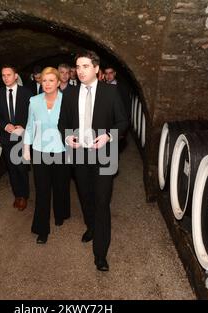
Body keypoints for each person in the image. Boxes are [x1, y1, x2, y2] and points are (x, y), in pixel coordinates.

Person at [58, 51, 128, 271]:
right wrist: (68, 136)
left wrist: (108, 136)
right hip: (80, 154)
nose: (80, 71)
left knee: (102, 201)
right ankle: (91, 226)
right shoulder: (69, 94)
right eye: (77, 67)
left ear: (96, 69)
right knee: (85, 196)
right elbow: (62, 124)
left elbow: (123, 122)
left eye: (85, 66)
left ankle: (100, 253)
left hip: (104, 154)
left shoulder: (111, 92)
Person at [23, 67, 71, 244]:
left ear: (59, 82)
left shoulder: (67, 100)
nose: (47, 84)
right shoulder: (34, 101)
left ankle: (60, 213)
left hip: (62, 151)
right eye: (44, 80)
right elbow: (29, 126)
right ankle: (41, 229)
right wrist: (26, 149)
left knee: (60, 186)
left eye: (51, 80)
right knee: (42, 191)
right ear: (40, 82)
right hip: (40, 151)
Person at [0, 65, 32, 211]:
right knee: (12, 168)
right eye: (3, 75)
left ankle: (24, 195)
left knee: (21, 167)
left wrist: (24, 127)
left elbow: (32, 114)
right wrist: (5, 125)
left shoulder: (26, 93)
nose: (5, 78)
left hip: (22, 136)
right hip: (7, 137)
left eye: (9, 75)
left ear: (16, 76)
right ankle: (18, 195)